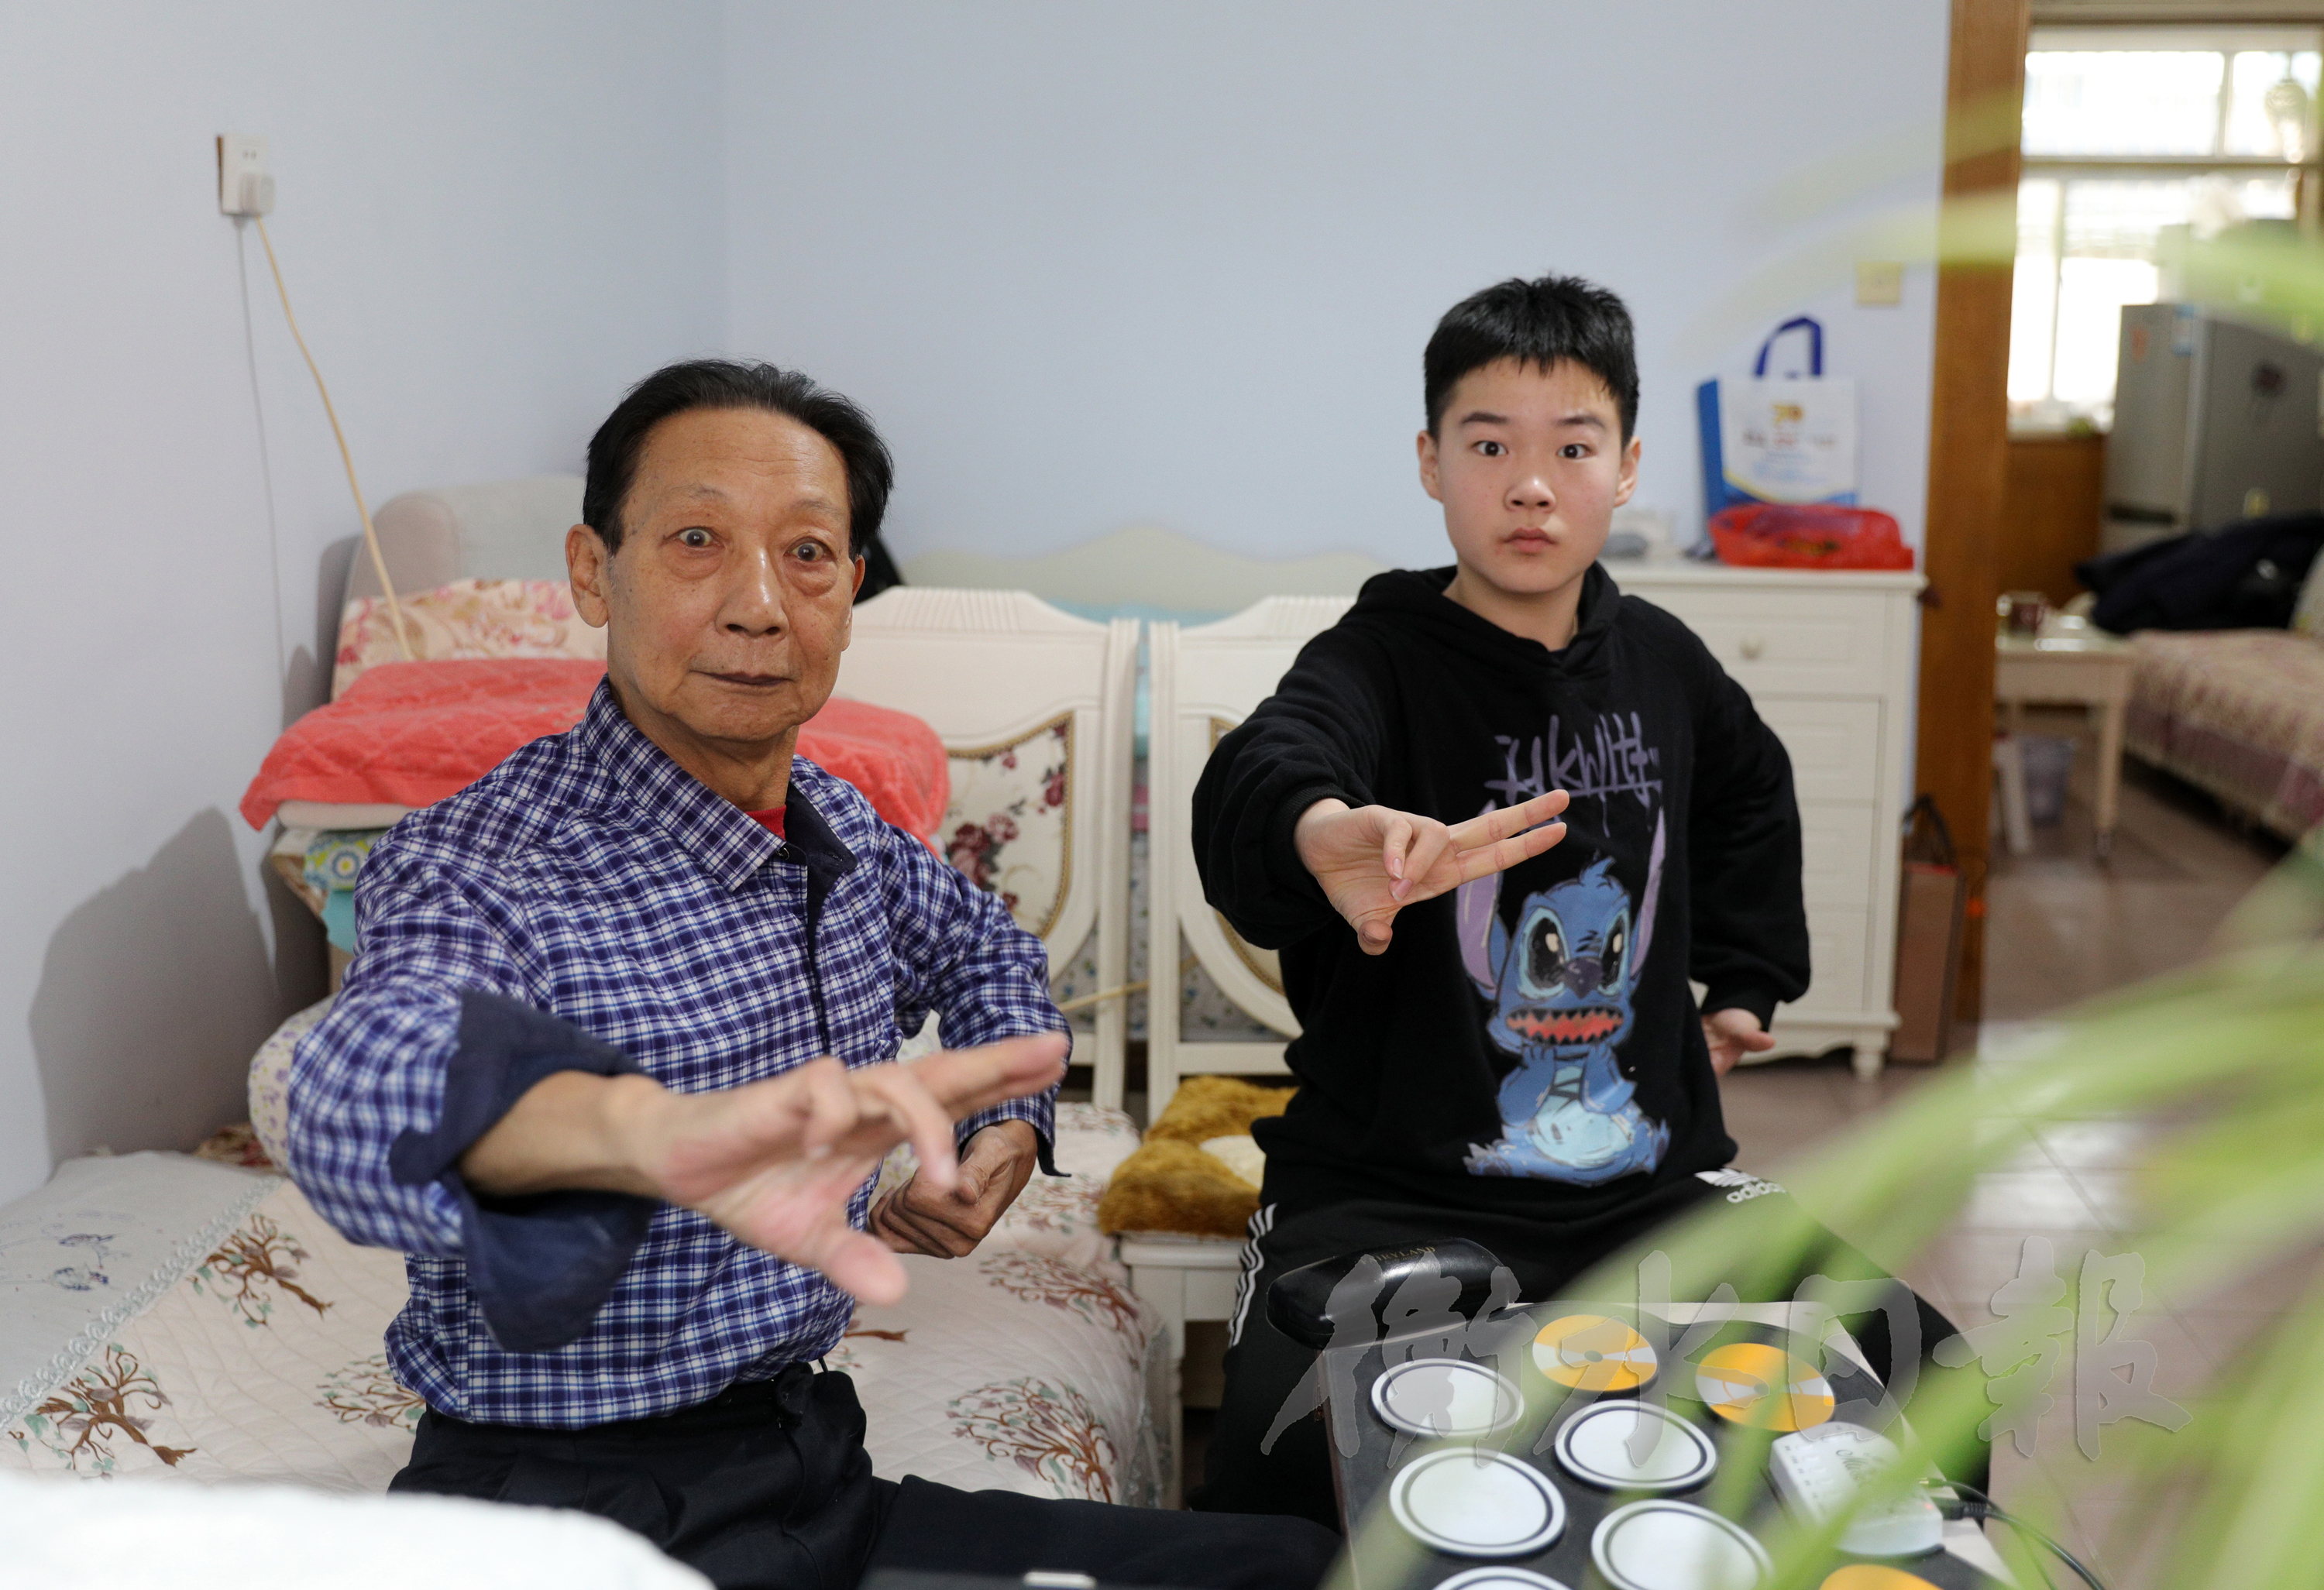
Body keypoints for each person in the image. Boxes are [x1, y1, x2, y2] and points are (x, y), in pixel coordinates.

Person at [285, 360, 1342, 1590]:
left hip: (812, 1470)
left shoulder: (842, 830)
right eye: (696, 541)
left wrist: (1004, 1127)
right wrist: (652, 1133)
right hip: (564, 1510)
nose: (758, 605)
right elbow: (364, 1086)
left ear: (850, 593)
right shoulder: (479, 865)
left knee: (1306, 1563)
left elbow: (988, 949)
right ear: (592, 571)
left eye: (806, 554)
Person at [1188, 276, 1981, 1527]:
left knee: (1933, 1377)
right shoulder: (1373, 659)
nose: (1530, 485)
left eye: (1572, 447)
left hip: (1654, 1194)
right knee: (1280, 1454)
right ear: (1429, 461)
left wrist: (1748, 978)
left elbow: (1751, 787)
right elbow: (1274, 757)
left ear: (1627, 467)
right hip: (1389, 1188)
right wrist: (1320, 827)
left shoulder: (1662, 657)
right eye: (1487, 445)